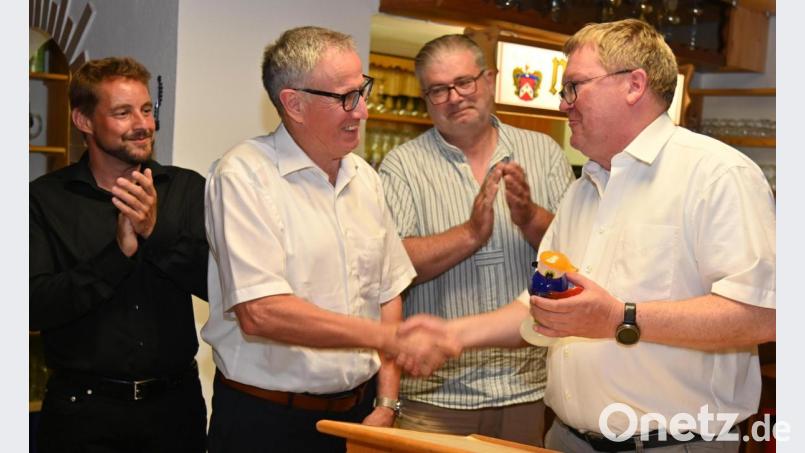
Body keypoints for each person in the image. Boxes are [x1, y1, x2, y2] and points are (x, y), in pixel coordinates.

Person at [402, 18, 776, 453]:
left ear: (633, 85)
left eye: (574, 87)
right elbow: (541, 305)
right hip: (566, 438)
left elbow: (763, 315)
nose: (563, 104)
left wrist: (621, 316)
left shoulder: (717, 174)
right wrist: (452, 334)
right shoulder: (585, 187)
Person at [202, 26, 459, 453]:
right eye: (346, 97)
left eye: (363, 91)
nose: (363, 111)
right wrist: (386, 339)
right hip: (268, 422)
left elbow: (387, 294)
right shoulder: (243, 176)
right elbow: (261, 312)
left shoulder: (366, 179)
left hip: (359, 413)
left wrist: (387, 400)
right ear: (294, 104)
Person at [378, 34, 575, 446]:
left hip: (528, 389)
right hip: (434, 396)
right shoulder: (402, 166)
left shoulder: (543, 152)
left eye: (464, 82)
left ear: (489, 79)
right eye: (438, 90)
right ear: (425, 98)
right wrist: (470, 234)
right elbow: (391, 268)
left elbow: (573, 260)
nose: (454, 97)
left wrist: (529, 218)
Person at [30, 57, 208, 453]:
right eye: (123, 113)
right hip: (82, 414)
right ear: (84, 120)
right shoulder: (44, 200)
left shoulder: (185, 190)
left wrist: (155, 233)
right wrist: (117, 254)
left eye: (146, 109)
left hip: (175, 412)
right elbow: (33, 307)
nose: (143, 124)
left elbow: (219, 285)